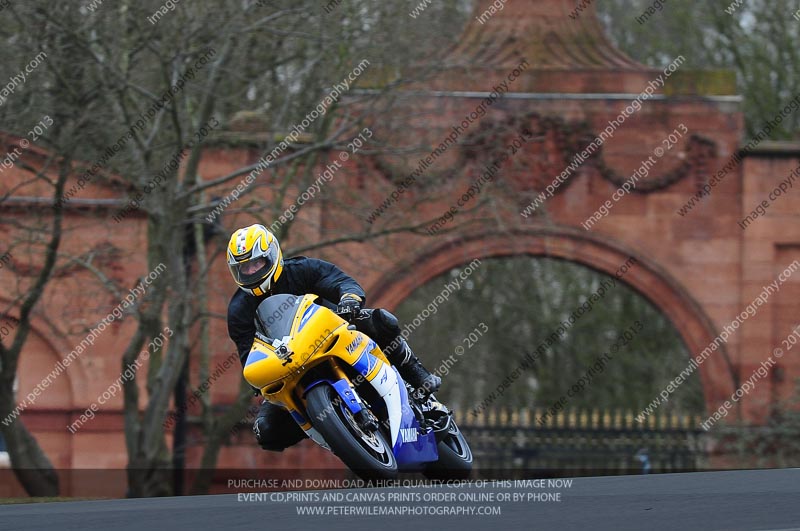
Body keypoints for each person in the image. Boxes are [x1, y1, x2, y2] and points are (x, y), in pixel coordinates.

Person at [226, 223, 441, 451]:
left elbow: (340, 282)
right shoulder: (238, 310)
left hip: (338, 333)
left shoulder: (301, 269)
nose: (250, 272)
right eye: (244, 268)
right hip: (289, 367)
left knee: (381, 320)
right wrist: (260, 383)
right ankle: (330, 424)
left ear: (272, 256)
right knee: (266, 431)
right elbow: (248, 354)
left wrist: (349, 299)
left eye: (256, 263)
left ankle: (418, 375)